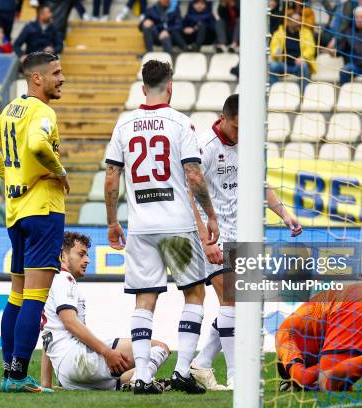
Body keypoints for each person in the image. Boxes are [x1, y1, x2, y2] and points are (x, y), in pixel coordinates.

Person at [104, 59, 219, 394]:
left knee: (144, 300)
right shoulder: (181, 123)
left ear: (143, 88)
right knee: (194, 293)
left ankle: (141, 375)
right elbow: (194, 176)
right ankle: (183, 371)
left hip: (141, 227)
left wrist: (113, 221)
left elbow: (112, 178)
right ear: (171, 87)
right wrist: (210, 214)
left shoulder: (124, 126)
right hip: (178, 227)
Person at [189, 94, 302, 391]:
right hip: (216, 236)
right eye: (237, 128)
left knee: (243, 305)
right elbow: (189, 194)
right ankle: (238, 376)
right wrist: (205, 238)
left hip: (243, 235)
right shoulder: (205, 147)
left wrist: (285, 214)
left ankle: (201, 363)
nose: (241, 134)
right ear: (223, 119)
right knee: (231, 301)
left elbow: (261, 185)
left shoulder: (248, 143)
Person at [0, 51, 69, 393]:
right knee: (35, 296)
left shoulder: (11, 109)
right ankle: (17, 375)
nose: (62, 78)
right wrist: (59, 171)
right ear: (37, 78)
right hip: (44, 211)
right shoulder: (43, 111)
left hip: (16, 213)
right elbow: (37, 144)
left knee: (17, 295)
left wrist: (9, 176)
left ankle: (8, 370)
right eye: (56, 73)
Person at [40, 232, 171, 390]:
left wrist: (46, 384)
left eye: (87, 255)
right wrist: (107, 352)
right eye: (81, 255)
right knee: (160, 347)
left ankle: (133, 381)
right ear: (62, 255)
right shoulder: (63, 279)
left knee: (123, 377)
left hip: (66, 376)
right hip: (77, 361)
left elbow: (48, 337)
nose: (87, 260)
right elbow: (70, 323)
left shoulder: (50, 281)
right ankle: (142, 380)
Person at [268, 10, 316, 88]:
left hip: (297, 64)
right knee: (273, 66)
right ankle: (274, 91)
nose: (298, 22)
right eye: (296, 20)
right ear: (289, 21)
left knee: (304, 66)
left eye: (299, 20)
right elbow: (274, 48)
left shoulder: (306, 33)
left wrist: (303, 57)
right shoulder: (279, 33)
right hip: (283, 64)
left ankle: (302, 94)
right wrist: (277, 53)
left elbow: (311, 49)